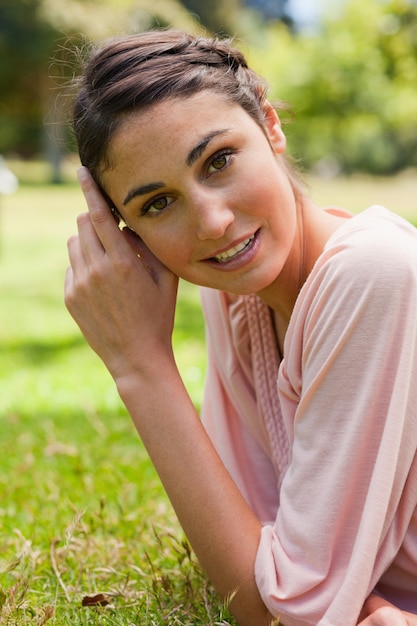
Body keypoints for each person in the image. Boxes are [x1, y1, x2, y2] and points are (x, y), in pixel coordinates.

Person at [64, 29, 417, 625]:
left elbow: (270, 605)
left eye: (219, 160)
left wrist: (141, 368)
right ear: (127, 235)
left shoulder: (372, 273)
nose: (213, 222)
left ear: (271, 125)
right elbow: (256, 555)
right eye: (157, 204)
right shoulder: (239, 292)